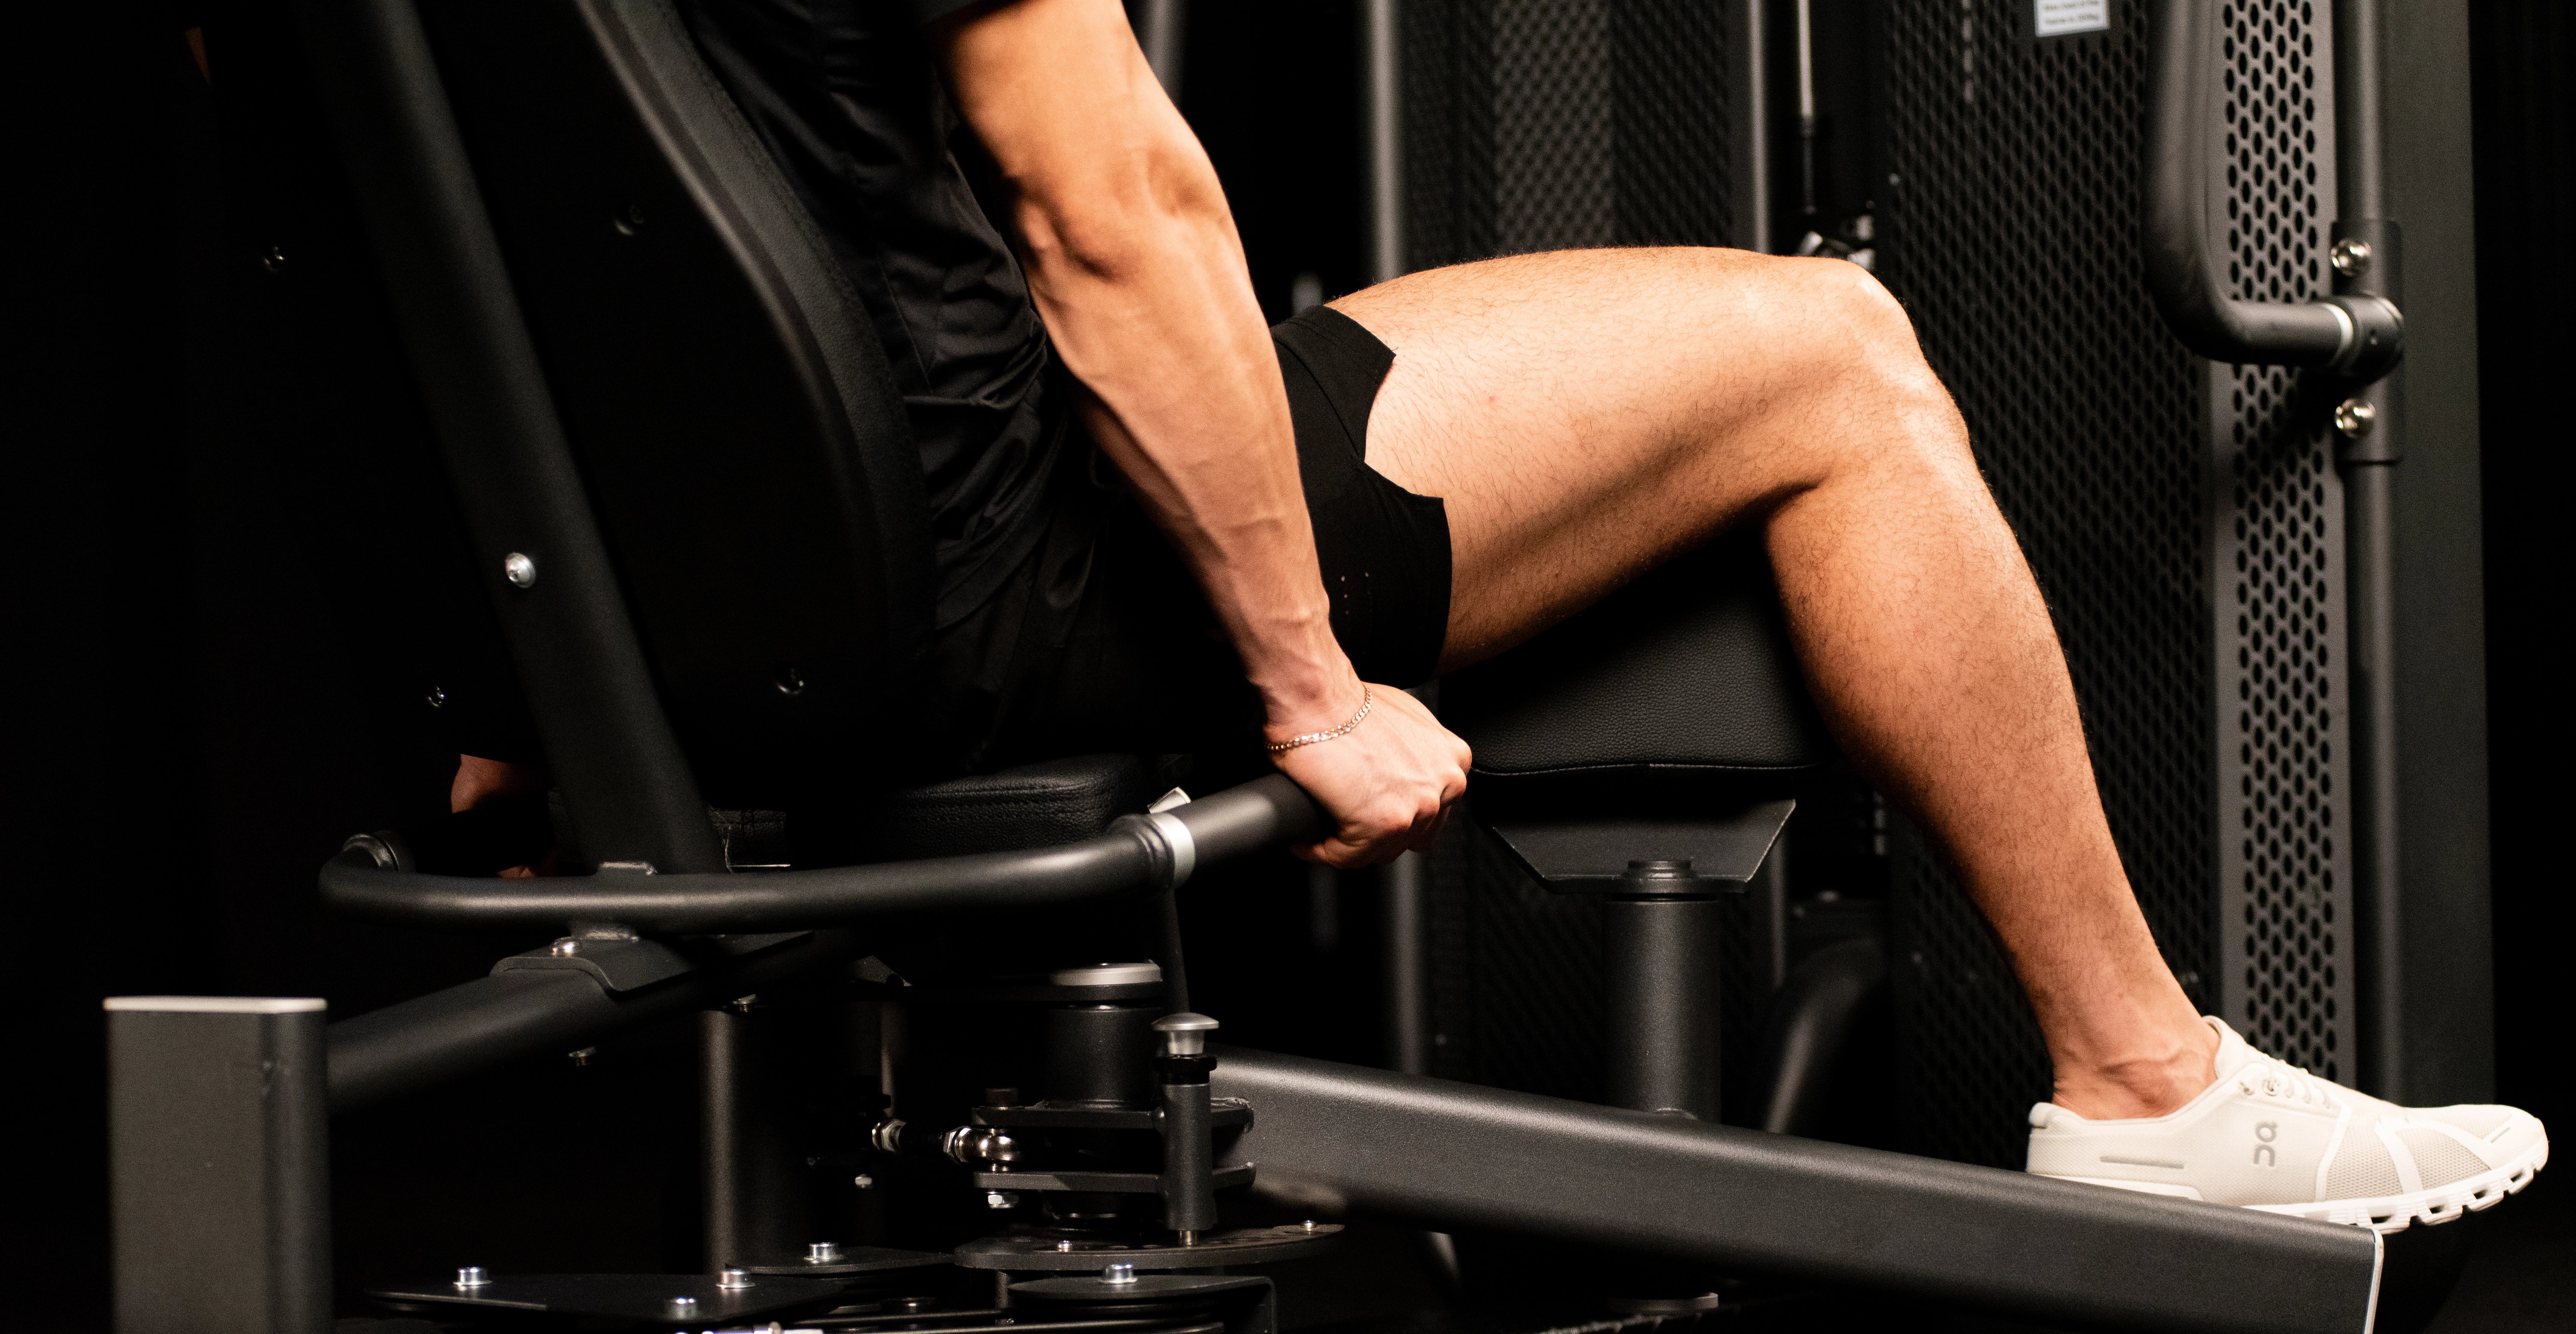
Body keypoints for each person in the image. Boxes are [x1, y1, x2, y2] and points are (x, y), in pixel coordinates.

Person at [456, 0, 2543, 1232]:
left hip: (677, 626)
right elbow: (1116, 225)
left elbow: (429, 260)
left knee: (1394, 354)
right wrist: (1308, 682)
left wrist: (515, 683)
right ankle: (2150, 1086)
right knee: (1836, 355)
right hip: (1000, 579)